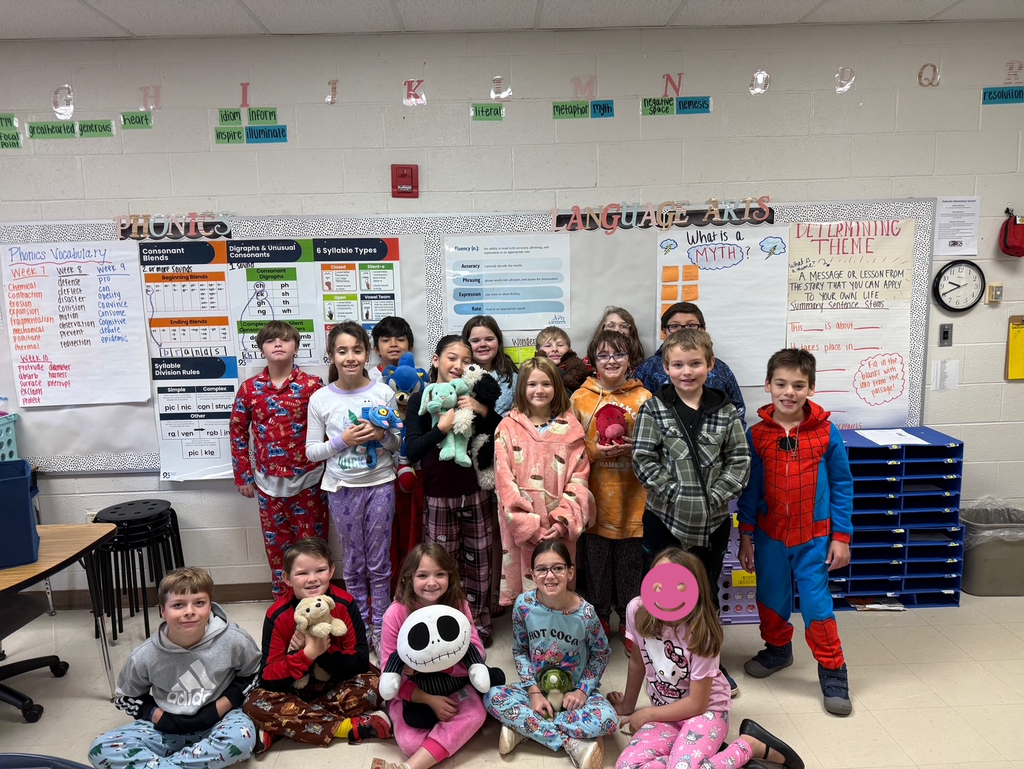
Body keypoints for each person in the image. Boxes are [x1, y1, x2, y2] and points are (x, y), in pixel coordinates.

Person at [631, 328, 750, 695]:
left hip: (713, 522)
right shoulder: (653, 408)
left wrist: (714, 497)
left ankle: (707, 662)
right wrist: (677, 494)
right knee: (659, 588)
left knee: (705, 590)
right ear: (666, 368)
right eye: (679, 365)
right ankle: (660, 659)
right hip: (664, 519)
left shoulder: (725, 411)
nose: (687, 372)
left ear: (710, 365)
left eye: (695, 364)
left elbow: (739, 461)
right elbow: (643, 458)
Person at [737, 348, 855, 716]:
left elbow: (843, 485)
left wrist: (842, 536)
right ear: (768, 385)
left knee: (818, 606)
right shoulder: (757, 435)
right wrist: (745, 535)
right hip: (770, 536)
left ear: (811, 388)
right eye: (781, 384)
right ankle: (777, 650)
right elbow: (749, 490)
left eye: (798, 385)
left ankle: (833, 671)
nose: (789, 392)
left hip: (814, 539)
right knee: (771, 597)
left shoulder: (826, 433)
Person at [609, 548, 804, 769]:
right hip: (666, 714)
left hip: (705, 711)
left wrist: (647, 714)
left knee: (682, 767)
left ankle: (749, 746)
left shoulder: (702, 633)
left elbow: (697, 703)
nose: (665, 590)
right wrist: (627, 706)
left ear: (694, 590)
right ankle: (706, 758)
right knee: (626, 766)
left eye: (677, 584)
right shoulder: (637, 609)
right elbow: (637, 662)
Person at [88, 568, 261, 769]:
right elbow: (125, 696)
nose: (189, 611)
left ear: (210, 606)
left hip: (221, 720)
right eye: (178, 605)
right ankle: (189, 762)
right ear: (163, 611)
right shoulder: (144, 655)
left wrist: (219, 708)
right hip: (165, 728)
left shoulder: (234, 639)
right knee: (101, 749)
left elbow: (254, 674)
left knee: (241, 740)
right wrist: (159, 717)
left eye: (199, 603)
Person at [305, 321, 403, 656]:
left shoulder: (383, 393)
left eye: (357, 350)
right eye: (342, 351)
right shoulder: (320, 399)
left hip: (380, 486)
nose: (350, 357)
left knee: (379, 564)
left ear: (367, 354)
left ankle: (381, 628)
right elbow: (311, 452)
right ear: (331, 355)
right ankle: (359, 627)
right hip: (341, 489)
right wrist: (342, 440)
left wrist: (381, 436)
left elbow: (397, 443)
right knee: (354, 563)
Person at [243, 537, 392, 753]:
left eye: (320, 570)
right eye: (302, 573)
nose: (312, 579)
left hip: (334, 684)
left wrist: (322, 652)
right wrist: (304, 655)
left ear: (331, 571)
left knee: (377, 685)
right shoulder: (277, 614)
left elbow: (360, 661)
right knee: (253, 703)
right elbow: (268, 677)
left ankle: (284, 725)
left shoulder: (345, 603)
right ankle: (347, 727)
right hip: (293, 690)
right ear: (287, 578)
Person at [484, 541, 617, 769]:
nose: (550, 576)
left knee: (608, 720)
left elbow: (600, 654)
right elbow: (520, 650)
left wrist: (582, 690)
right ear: (533, 574)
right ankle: (572, 742)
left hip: (573, 695)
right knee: (491, 696)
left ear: (570, 572)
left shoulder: (585, 614)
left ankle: (525, 728)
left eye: (558, 568)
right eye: (542, 569)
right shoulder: (523, 605)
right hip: (537, 690)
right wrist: (534, 693)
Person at [405, 335, 501, 644]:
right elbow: (412, 449)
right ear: (436, 360)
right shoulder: (422, 400)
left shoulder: (473, 397)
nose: (459, 365)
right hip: (438, 497)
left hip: (476, 494)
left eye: (466, 361)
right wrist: (441, 429)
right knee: (441, 567)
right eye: (452, 358)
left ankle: (479, 626)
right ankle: (446, 627)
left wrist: (482, 409)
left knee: (480, 565)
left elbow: (503, 431)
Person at [371, 544, 489, 769]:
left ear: (450, 576)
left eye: (440, 574)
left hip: (454, 684)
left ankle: (409, 767)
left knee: (475, 714)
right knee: (412, 744)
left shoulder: (458, 604)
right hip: (413, 690)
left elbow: (477, 652)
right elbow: (389, 672)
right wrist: (427, 699)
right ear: (408, 578)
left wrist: (441, 666)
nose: (432, 582)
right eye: (423, 575)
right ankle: (433, 747)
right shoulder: (395, 614)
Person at [231, 320, 327, 596]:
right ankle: (282, 604)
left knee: (313, 550)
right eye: (271, 340)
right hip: (267, 486)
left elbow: (328, 428)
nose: (278, 344)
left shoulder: (312, 386)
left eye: (285, 339)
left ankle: (318, 602)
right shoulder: (249, 389)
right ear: (261, 349)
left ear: (296, 348)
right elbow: (238, 431)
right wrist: (243, 475)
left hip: (309, 483)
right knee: (277, 551)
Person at [570, 330, 651, 655]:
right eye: (603, 355)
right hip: (596, 504)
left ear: (630, 359)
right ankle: (599, 619)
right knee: (597, 569)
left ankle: (630, 623)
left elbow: (657, 446)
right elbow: (570, 447)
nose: (611, 361)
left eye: (618, 354)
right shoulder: (581, 398)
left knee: (631, 569)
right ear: (593, 361)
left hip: (634, 504)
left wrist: (636, 448)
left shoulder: (644, 398)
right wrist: (593, 450)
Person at [494, 356, 592, 606]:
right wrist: (528, 527)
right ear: (522, 388)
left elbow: (579, 481)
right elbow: (504, 483)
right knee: (527, 597)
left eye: (546, 384)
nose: (539, 390)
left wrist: (560, 523)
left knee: (557, 588)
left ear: (556, 387)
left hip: (558, 528)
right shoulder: (507, 428)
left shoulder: (571, 430)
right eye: (532, 384)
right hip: (521, 529)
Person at [635, 302, 746, 426]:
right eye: (675, 326)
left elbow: (738, 408)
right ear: (664, 332)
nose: (683, 330)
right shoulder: (648, 369)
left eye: (691, 325)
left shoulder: (721, 369)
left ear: (703, 330)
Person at [462, 315, 519, 417]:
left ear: (498, 341)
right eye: (475, 341)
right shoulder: (459, 375)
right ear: (466, 344)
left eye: (489, 339)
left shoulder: (512, 377)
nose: (483, 344)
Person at [584, 307, 646, 374]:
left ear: (631, 332)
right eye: (611, 325)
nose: (617, 330)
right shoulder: (587, 364)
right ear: (602, 328)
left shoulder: (642, 368)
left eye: (623, 326)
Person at [535, 326, 590, 394]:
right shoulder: (533, 368)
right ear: (539, 350)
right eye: (548, 346)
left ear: (569, 348)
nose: (554, 349)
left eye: (560, 345)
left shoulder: (576, 366)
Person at [370, 316, 414, 383]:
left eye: (400, 340)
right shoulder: (370, 378)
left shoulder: (416, 376)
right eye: (386, 340)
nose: (393, 344)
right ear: (377, 350)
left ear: (410, 347)